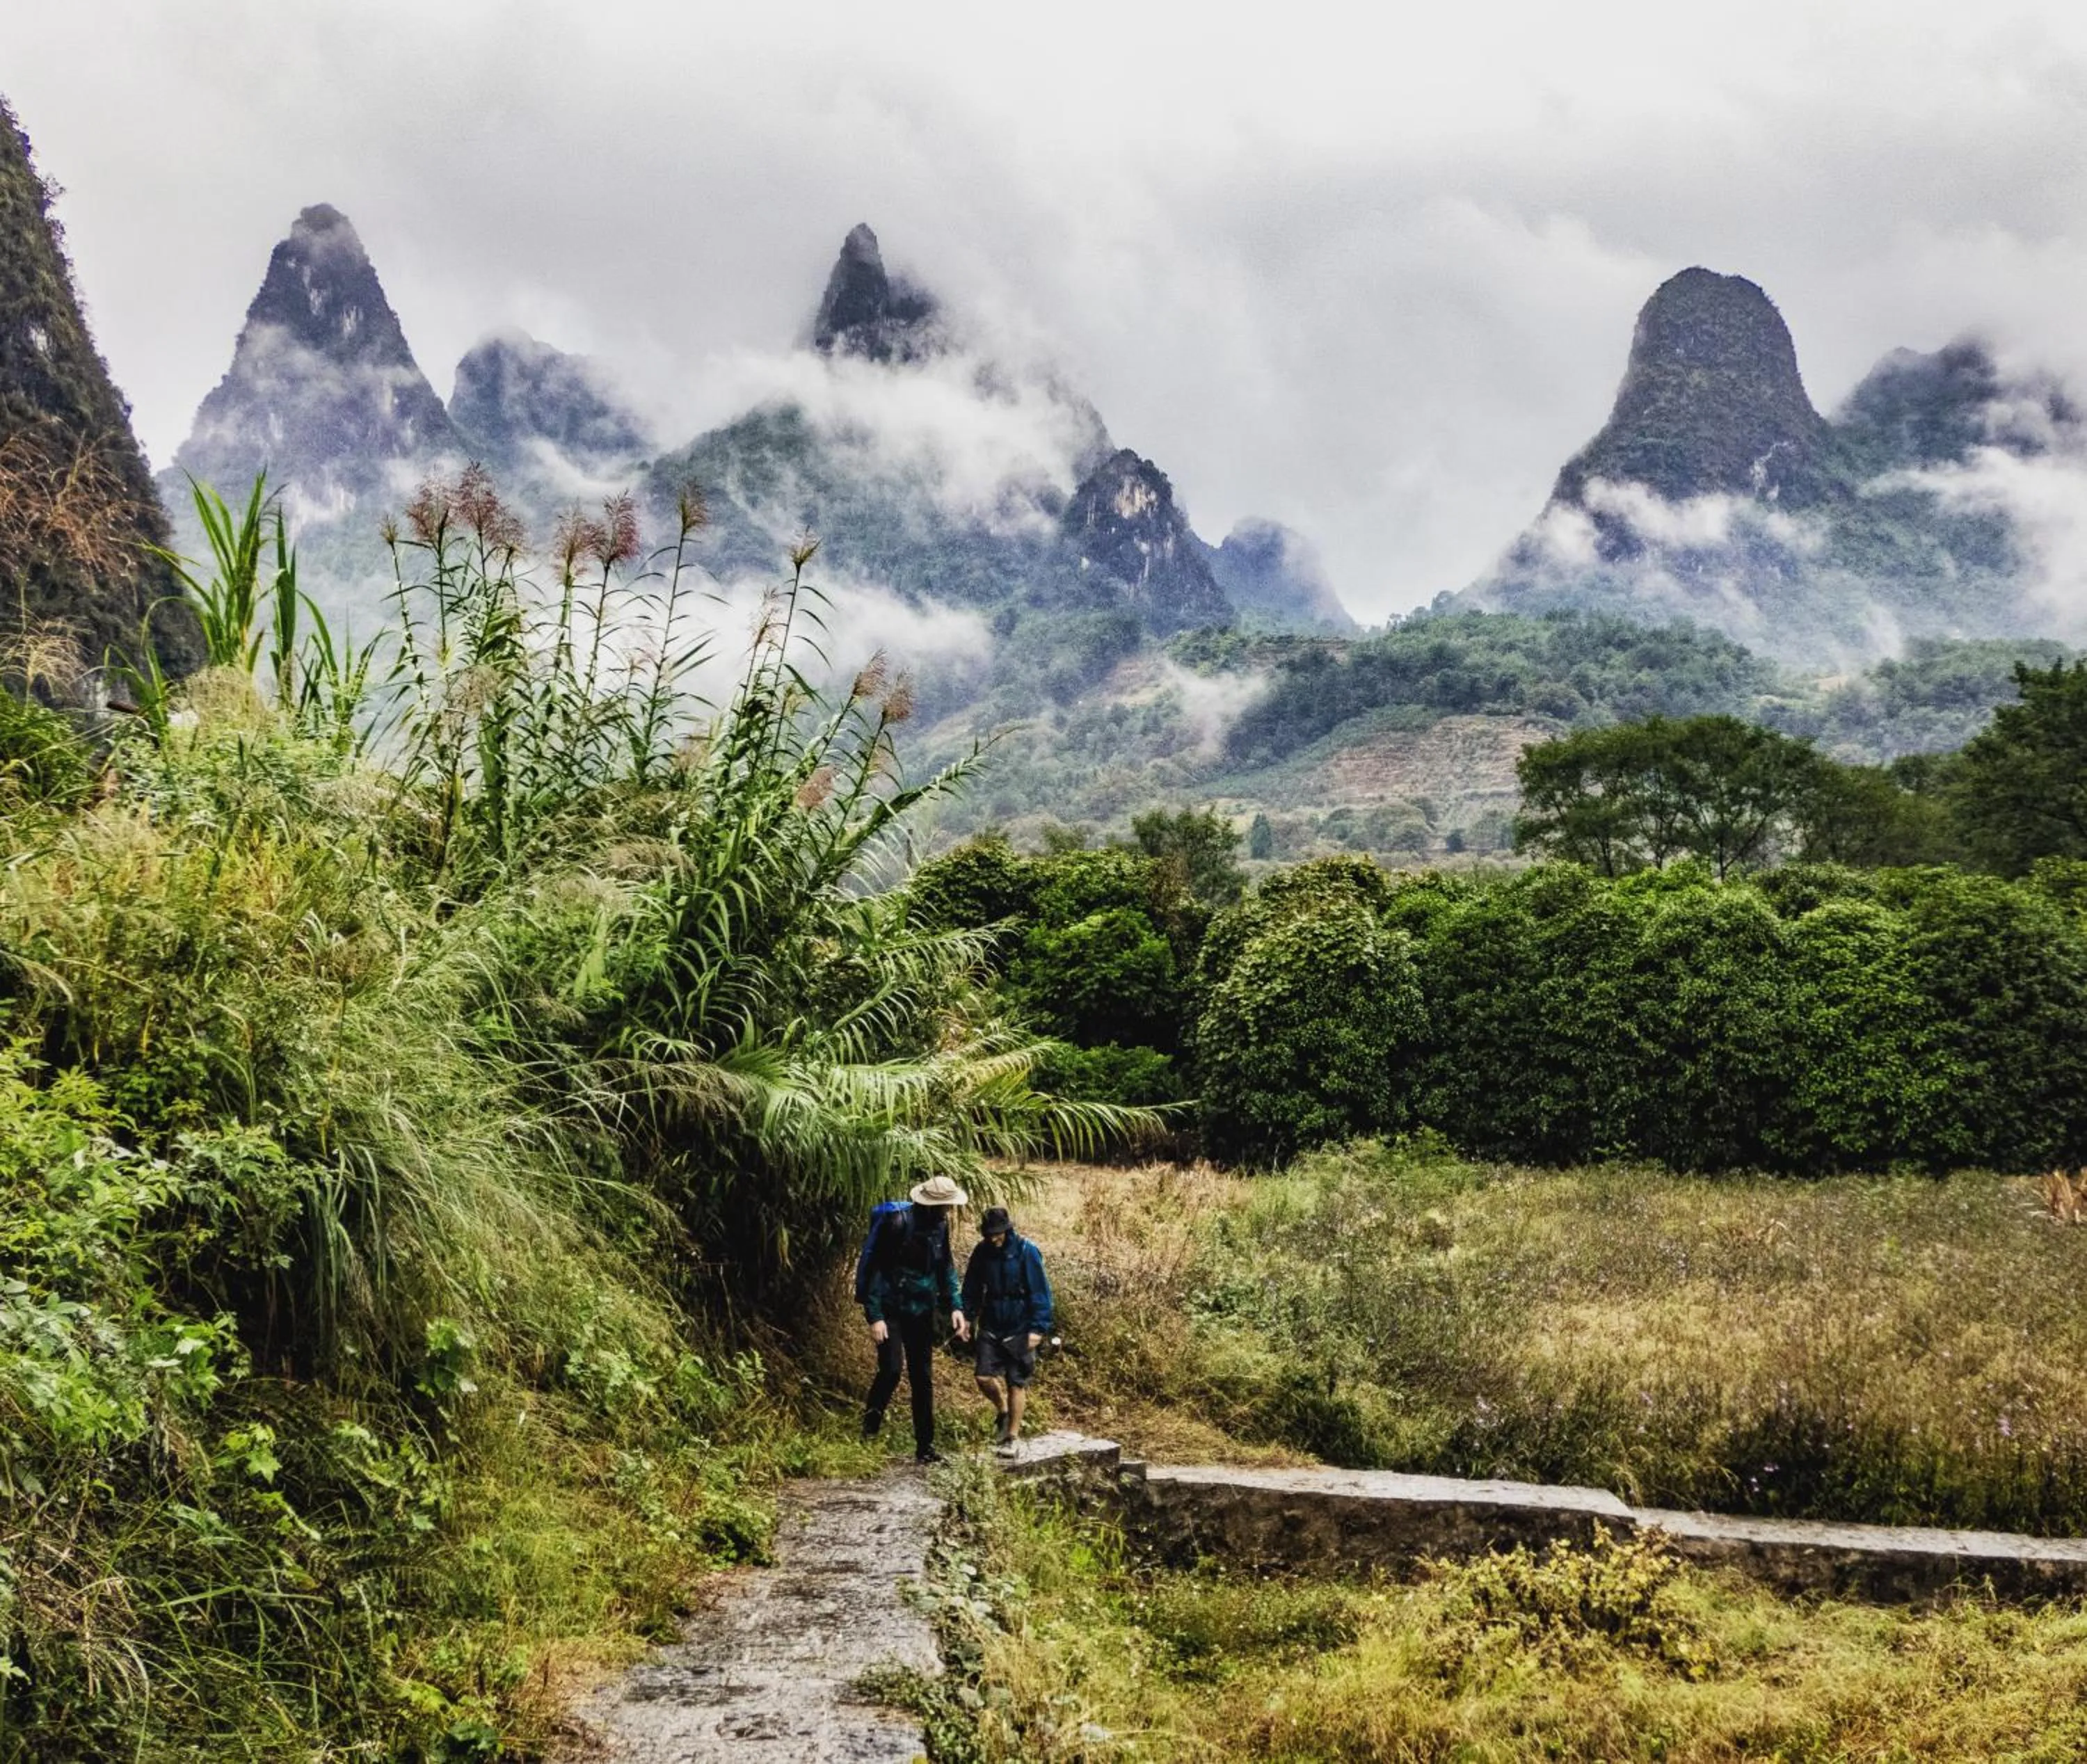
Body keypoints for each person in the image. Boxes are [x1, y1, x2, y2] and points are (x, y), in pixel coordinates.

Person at [858, 1174, 969, 1464]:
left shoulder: (940, 1226)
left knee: (923, 1378)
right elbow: (873, 1270)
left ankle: (925, 1448)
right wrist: (875, 1316)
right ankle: (868, 1433)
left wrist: (955, 1307)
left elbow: (946, 1267)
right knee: (892, 1370)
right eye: (945, 1206)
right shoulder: (897, 1224)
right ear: (931, 1204)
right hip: (891, 1310)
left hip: (922, 1311)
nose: (948, 1210)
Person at [961, 1205, 1054, 1456]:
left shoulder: (1027, 1251)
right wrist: (967, 1317)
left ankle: (1012, 1437)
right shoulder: (982, 1252)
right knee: (983, 1377)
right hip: (992, 1322)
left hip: (1020, 1325)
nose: (994, 1238)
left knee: (1016, 1381)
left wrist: (1038, 1328)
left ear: (1007, 1229)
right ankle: (1002, 1410)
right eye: (989, 1234)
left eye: (998, 1233)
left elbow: (1041, 1292)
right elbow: (971, 1287)